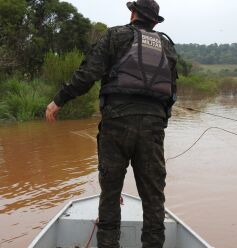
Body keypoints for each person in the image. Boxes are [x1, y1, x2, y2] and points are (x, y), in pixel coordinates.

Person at [45, 0, 178, 247]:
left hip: (116, 122)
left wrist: (58, 101)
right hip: (153, 127)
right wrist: (158, 124)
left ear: (133, 13)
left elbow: (88, 74)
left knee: (110, 193)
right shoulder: (167, 46)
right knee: (153, 197)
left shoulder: (116, 36)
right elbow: (172, 93)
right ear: (154, 21)